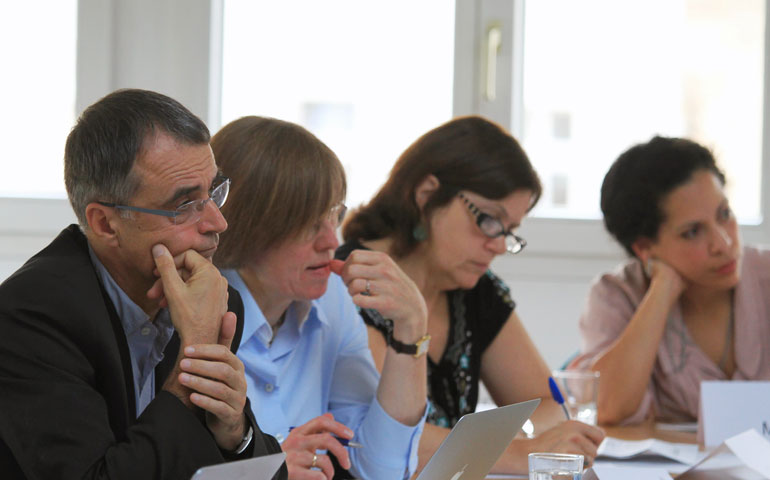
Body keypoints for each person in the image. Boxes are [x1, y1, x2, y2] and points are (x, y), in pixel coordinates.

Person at [0, 89, 286, 479]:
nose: (218, 223)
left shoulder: (212, 299)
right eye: (184, 206)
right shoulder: (29, 316)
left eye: (214, 193)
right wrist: (195, 357)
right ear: (105, 224)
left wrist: (235, 433)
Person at [336, 116, 605, 475]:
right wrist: (523, 450)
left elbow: (549, 405)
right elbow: (385, 437)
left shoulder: (476, 290)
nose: (496, 245)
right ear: (427, 194)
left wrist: (518, 439)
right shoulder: (352, 280)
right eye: (489, 220)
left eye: (509, 231)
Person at [211, 116, 428, 480]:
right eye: (311, 223)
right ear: (248, 226)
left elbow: (381, 468)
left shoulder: (332, 302)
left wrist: (412, 327)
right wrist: (269, 469)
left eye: (335, 216)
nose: (332, 241)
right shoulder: (193, 314)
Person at [571, 136, 770, 425]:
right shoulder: (616, 294)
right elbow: (609, 408)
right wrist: (662, 289)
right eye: (692, 232)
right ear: (644, 248)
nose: (723, 243)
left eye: (724, 214)